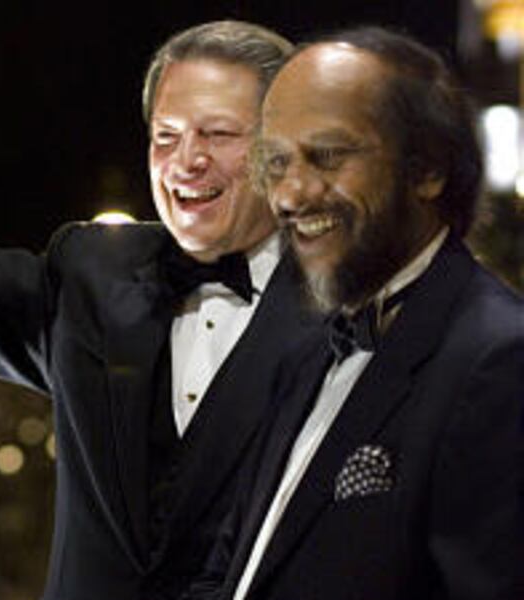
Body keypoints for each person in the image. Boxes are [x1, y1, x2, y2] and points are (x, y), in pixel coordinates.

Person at [0, 2, 319, 598]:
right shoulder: (91, 276)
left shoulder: (351, 307)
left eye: (218, 134)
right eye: (165, 136)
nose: (185, 160)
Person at [184, 27, 524, 600]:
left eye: (328, 156)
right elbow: (229, 573)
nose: (291, 194)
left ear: (428, 169)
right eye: (277, 162)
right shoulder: (306, 354)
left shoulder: (502, 361)